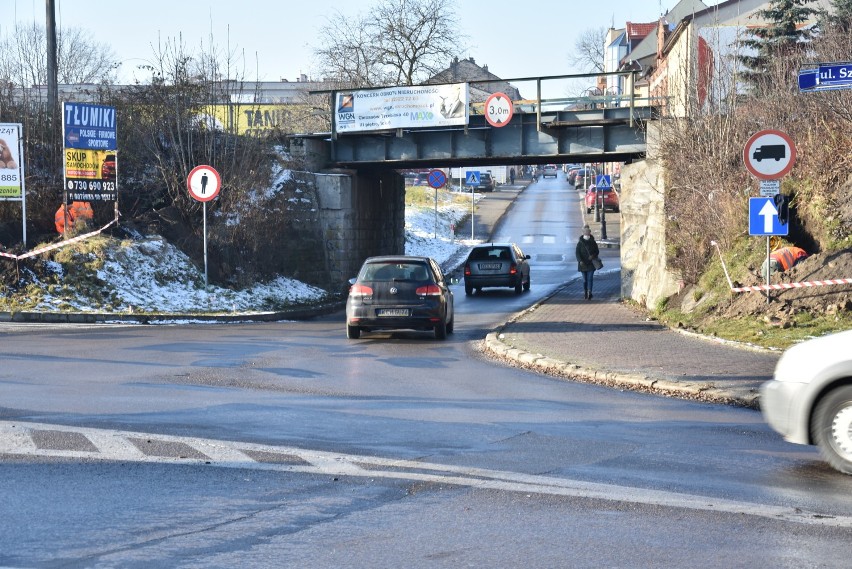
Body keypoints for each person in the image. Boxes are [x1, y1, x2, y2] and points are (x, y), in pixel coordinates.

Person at [575, 224, 600, 300]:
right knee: (585, 280)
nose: (587, 233)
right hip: (583, 264)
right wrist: (580, 261)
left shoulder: (593, 241)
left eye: (588, 232)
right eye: (585, 232)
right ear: (583, 233)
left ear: (589, 232)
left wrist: (593, 256)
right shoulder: (580, 243)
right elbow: (577, 253)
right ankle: (585, 291)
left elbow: (597, 251)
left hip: (591, 264)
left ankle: (590, 292)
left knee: (590, 278)